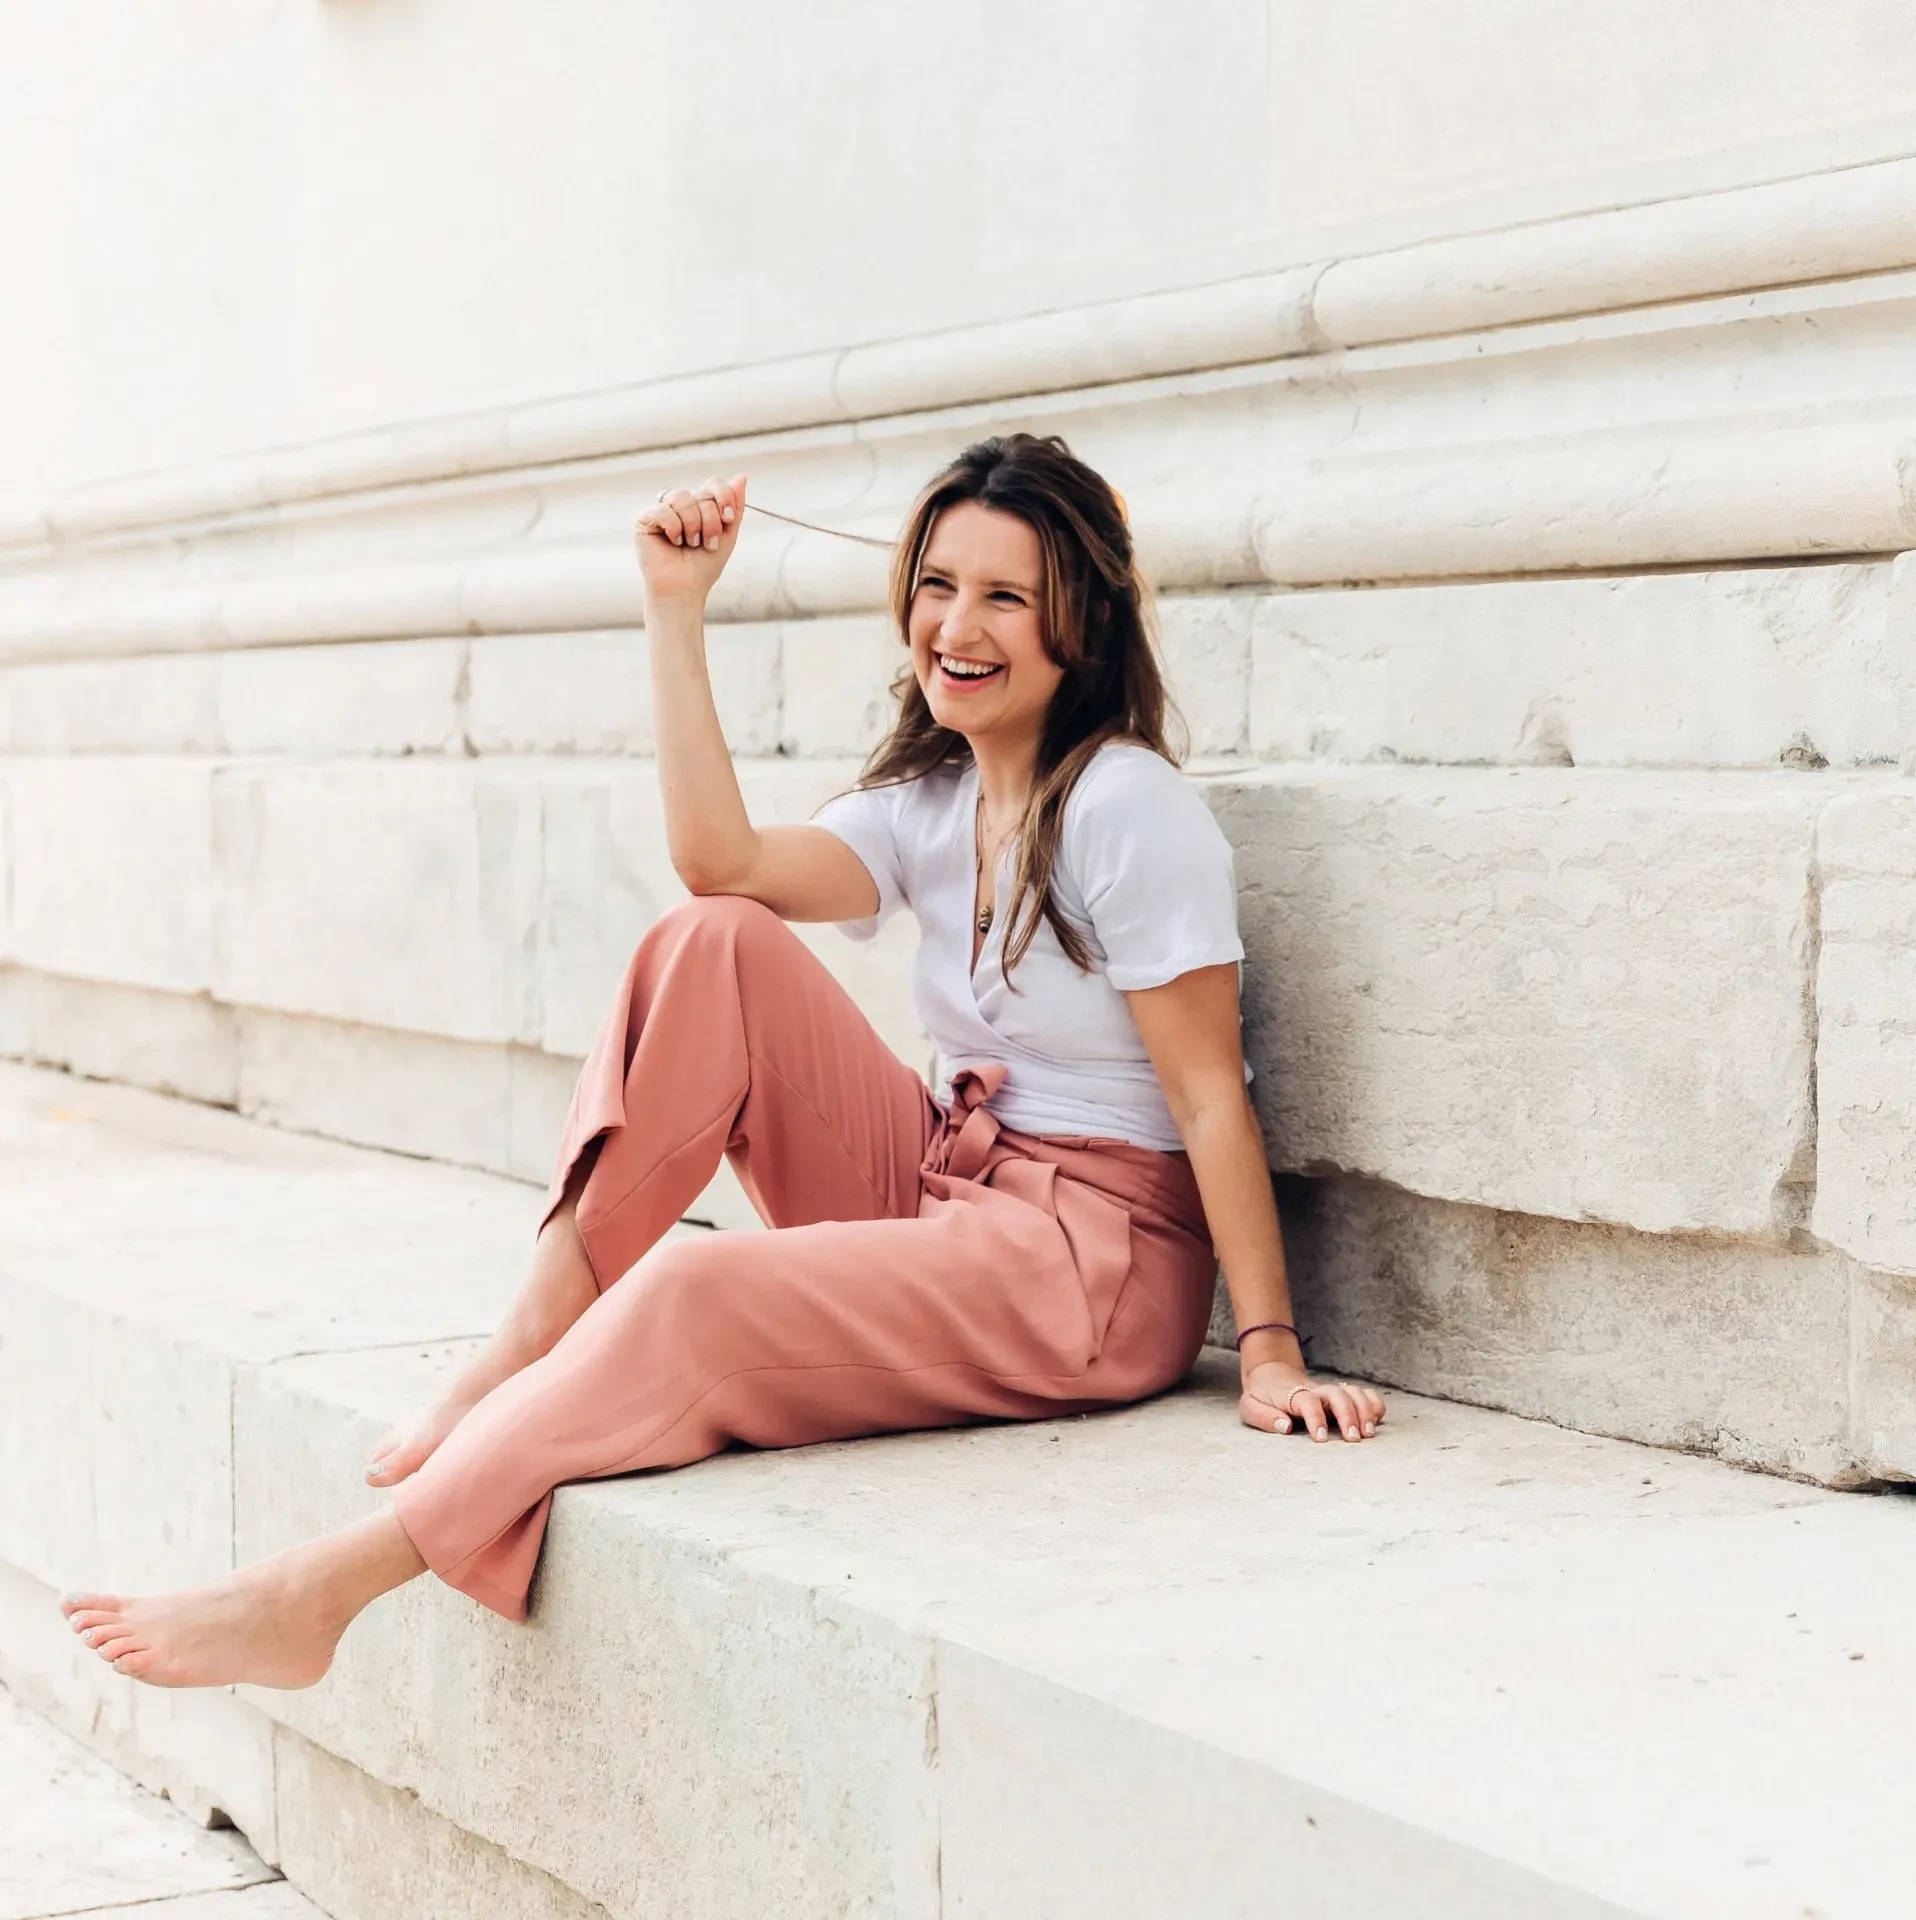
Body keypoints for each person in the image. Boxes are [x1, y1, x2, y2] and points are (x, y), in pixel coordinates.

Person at [61, 433, 1385, 1689]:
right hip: (951, 1186)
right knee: (710, 942)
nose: (956, 629)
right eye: (936, 585)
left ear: (1079, 625)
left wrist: (1267, 1351)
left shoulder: (1125, 806)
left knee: (698, 1290)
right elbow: (722, 866)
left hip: (1092, 1266)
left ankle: (324, 1593)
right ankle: (521, 1348)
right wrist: (675, 606)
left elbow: (1211, 1094)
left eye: (1003, 599)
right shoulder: (934, 799)